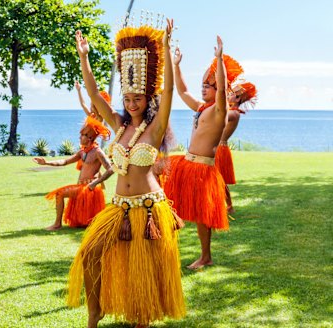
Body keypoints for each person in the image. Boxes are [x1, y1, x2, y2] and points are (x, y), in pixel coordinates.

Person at [67, 18, 185, 328]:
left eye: (137, 99)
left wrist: (167, 50)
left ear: (148, 100)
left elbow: (170, 91)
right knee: (90, 254)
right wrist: (84, 57)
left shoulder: (156, 128)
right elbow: (94, 94)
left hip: (148, 209)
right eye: (128, 99)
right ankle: (95, 313)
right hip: (118, 207)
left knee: (141, 274)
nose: (131, 104)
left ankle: (140, 320)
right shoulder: (118, 126)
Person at [164, 38, 243, 270]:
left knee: (201, 215)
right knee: (167, 203)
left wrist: (219, 60)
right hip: (186, 163)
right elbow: (183, 90)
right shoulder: (201, 108)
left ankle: (205, 256)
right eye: (204, 84)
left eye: (208, 85)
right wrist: (177, 65)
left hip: (203, 168)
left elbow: (222, 86)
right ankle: (166, 245)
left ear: (219, 89)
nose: (204, 87)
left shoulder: (221, 110)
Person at [33, 116, 113, 230]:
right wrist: (46, 162)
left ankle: (57, 224)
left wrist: (96, 182)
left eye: (82, 135)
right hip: (81, 186)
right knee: (84, 223)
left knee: (59, 194)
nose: (79, 137)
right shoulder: (82, 152)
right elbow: (65, 161)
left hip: (90, 187)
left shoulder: (98, 152)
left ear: (89, 137)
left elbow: (110, 169)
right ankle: (58, 224)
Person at [216, 82, 258, 213]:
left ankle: (228, 206)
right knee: (219, 180)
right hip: (218, 147)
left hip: (219, 149)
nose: (228, 95)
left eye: (231, 94)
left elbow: (219, 115)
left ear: (238, 99)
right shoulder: (231, 111)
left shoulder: (234, 114)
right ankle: (228, 206)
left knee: (220, 180)